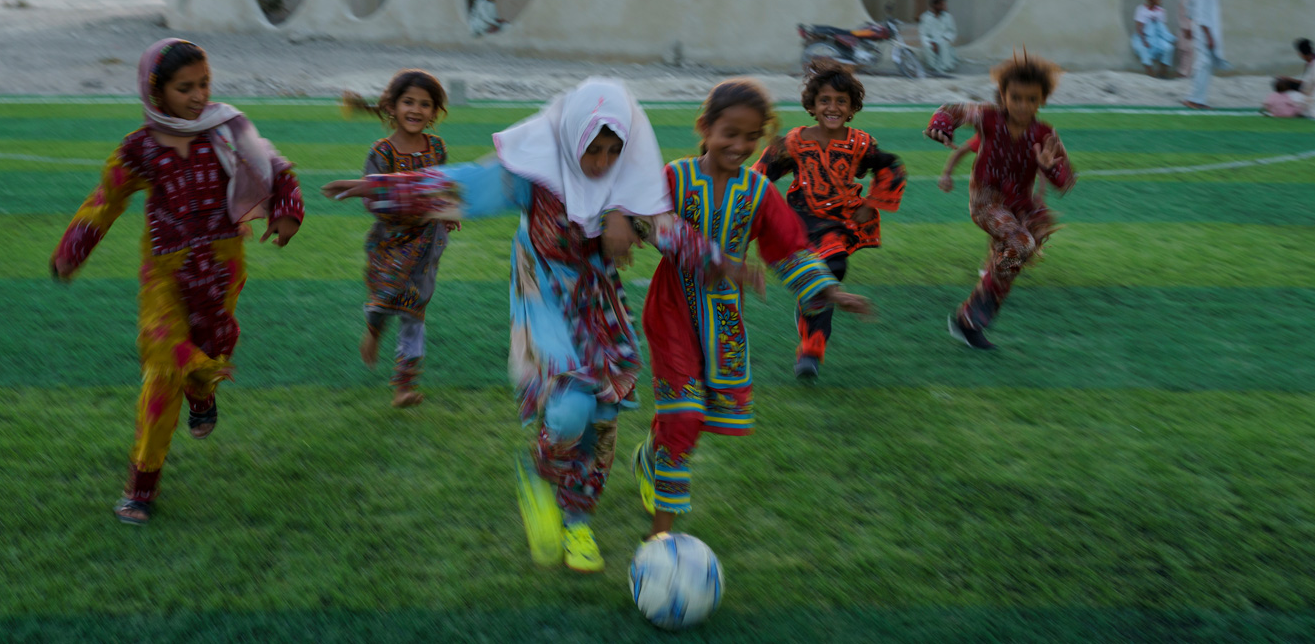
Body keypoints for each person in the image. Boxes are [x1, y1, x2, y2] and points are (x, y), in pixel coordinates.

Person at [322, 79, 741, 573]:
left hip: (600, 308)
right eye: (594, 149)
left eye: (614, 150)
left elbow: (667, 228)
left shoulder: (626, 186)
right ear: (570, 138)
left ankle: (578, 521)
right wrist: (380, 187)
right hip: (544, 299)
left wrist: (722, 262)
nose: (604, 162)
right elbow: (462, 186)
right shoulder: (534, 173)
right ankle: (541, 477)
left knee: (603, 420)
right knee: (568, 411)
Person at [51, 39, 305, 525]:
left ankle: (203, 391)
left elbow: (274, 167)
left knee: (209, 351)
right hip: (165, 274)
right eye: (183, 88)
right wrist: (72, 249)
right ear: (155, 90)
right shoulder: (140, 147)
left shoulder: (227, 128)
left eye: (204, 84)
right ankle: (141, 486)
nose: (197, 96)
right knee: (164, 361)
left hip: (222, 268)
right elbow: (106, 199)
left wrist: (287, 211)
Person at [634, 79, 872, 537]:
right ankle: (661, 537)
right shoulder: (675, 177)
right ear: (705, 127)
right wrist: (716, 259)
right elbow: (648, 223)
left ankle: (650, 454)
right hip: (671, 312)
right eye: (730, 133)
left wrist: (830, 291)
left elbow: (788, 249)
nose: (740, 145)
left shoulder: (759, 192)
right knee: (683, 416)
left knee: (693, 416)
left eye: (751, 137)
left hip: (723, 318)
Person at [753, 61, 905, 379]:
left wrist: (872, 203)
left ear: (851, 108)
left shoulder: (861, 143)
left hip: (841, 223)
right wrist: (741, 199)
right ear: (812, 105)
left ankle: (812, 343)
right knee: (821, 279)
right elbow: (759, 175)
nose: (832, 107)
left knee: (831, 272)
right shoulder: (793, 142)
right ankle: (811, 347)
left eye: (840, 101)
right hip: (801, 222)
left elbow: (891, 166)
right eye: (825, 100)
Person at [925, 51, 1075, 350]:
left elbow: (1065, 180)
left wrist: (1049, 165)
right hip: (986, 201)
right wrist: (941, 125)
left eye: (1031, 99)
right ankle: (979, 300)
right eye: (1015, 97)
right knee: (1020, 244)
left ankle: (969, 323)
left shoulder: (1045, 133)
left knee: (1010, 264)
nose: (1022, 105)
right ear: (1002, 96)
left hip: (1020, 208)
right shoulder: (989, 116)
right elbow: (953, 110)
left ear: (1042, 100)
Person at [344, 71, 454, 407]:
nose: (416, 110)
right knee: (384, 300)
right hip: (390, 243)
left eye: (425, 104)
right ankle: (374, 330)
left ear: (434, 112)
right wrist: (407, 203)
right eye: (409, 102)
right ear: (392, 106)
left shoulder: (437, 148)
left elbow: (444, 186)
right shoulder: (381, 152)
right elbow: (372, 198)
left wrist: (448, 210)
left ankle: (404, 384)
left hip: (427, 244)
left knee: (413, 311)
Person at [1183, 0, 1229, 110]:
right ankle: (1194, 100)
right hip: (1204, 32)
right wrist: (1208, 35)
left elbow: (1189, 5)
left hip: (1203, 30)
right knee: (1204, 64)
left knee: (1204, 65)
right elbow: (1202, 14)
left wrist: (1191, 23)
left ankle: (1197, 99)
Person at [1131, 0, 1175, 77]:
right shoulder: (1141, 9)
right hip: (1143, 36)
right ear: (1151, 0)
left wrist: (1167, 37)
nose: (1160, 1)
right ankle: (1150, 73)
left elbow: (1162, 28)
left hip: (1157, 37)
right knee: (1143, 49)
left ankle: (1163, 72)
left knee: (1169, 48)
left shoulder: (1161, 11)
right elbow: (1138, 26)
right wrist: (1144, 40)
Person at [916, 0, 958, 74]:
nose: (944, 7)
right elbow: (923, 34)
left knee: (943, 45)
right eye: (942, 5)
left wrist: (945, 38)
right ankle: (933, 68)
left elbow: (952, 31)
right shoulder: (925, 17)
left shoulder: (948, 17)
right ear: (935, 5)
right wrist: (931, 42)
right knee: (928, 47)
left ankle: (945, 68)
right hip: (930, 41)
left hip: (944, 40)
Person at [1175, 0, 1196, 78]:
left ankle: (1185, 73)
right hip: (1186, 30)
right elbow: (1182, 16)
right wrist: (1187, 29)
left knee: (1189, 52)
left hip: (1192, 30)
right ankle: (1182, 74)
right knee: (1185, 51)